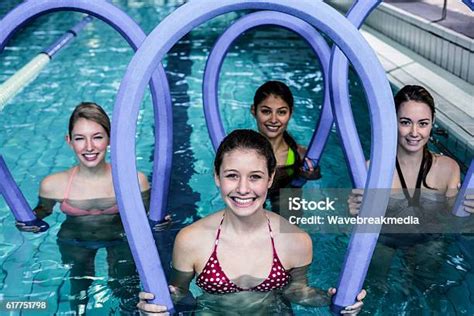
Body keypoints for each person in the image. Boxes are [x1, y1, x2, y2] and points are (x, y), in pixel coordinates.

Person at [137, 129, 365, 315]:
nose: (243, 189)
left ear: (270, 178)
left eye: (255, 176)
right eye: (232, 175)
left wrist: (337, 300)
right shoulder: (191, 239)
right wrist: (155, 305)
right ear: (217, 177)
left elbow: (296, 291)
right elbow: (182, 296)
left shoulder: (296, 240)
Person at [16, 102, 150, 314]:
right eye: (80, 138)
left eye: (97, 137)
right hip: (74, 240)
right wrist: (30, 220)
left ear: (110, 139)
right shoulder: (53, 184)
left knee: (125, 288)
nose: (89, 147)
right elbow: (43, 212)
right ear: (69, 141)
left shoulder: (134, 180)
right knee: (78, 288)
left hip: (120, 239)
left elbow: (147, 218)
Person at [347, 85, 471, 309]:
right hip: (385, 240)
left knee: (424, 290)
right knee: (374, 292)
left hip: (427, 241)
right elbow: (359, 226)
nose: (415, 132)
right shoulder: (371, 169)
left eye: (423, 123)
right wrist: (354, 213)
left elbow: (455, 223)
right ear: (392, 122)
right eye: (405, 122)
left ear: (432, 123)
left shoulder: (447, 169)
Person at [251, 81, 321, 214]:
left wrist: (311, 174)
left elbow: (316, 175)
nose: (273, 119)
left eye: (281, 112)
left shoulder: (300, 155)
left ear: (291, 113)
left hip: (286, 196)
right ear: (253, 111)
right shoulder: (242, 153)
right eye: (266, 111)